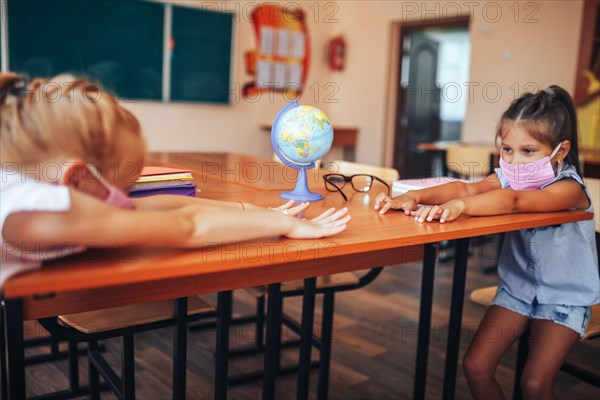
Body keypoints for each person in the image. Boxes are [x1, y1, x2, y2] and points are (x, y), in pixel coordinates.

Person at [0, 73, 351, 287]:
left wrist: (248, 209)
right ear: (76, 178)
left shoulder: (33, 185)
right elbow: (187, 228)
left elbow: (156, 205)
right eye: (123, 186)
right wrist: (283, 224)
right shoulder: (35, 211)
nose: (126, 198)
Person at [374, 85, 599, 399]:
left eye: (528, 151)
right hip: (517, 289)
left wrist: (462, 208)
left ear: (560, 151)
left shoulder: (569, 189)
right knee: (476, 367)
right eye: (507, 149)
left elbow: (515, 201)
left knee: (534, 384)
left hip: (565, 298)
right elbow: (465, 189)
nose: (515, 162)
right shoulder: (510, 175)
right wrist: (414, 196)